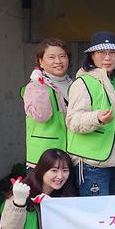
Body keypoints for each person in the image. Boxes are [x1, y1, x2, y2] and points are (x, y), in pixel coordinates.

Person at [66, 31, 115, 196]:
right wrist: (96, 117)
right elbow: (72, 121)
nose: (107, 57)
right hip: (92, 162)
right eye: (101, 52)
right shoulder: (83, 82)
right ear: (91, 56)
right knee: (95, 214)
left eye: (112, 53)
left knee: (113, 214)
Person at [22, 38, 72, 171]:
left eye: (62, 56)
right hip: (43, 159)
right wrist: (40, 84)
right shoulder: (34, 87)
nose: (58, 61)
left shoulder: (75, 84)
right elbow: (41, 116)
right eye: (51, 57)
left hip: (70, 158)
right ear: (40, 61)